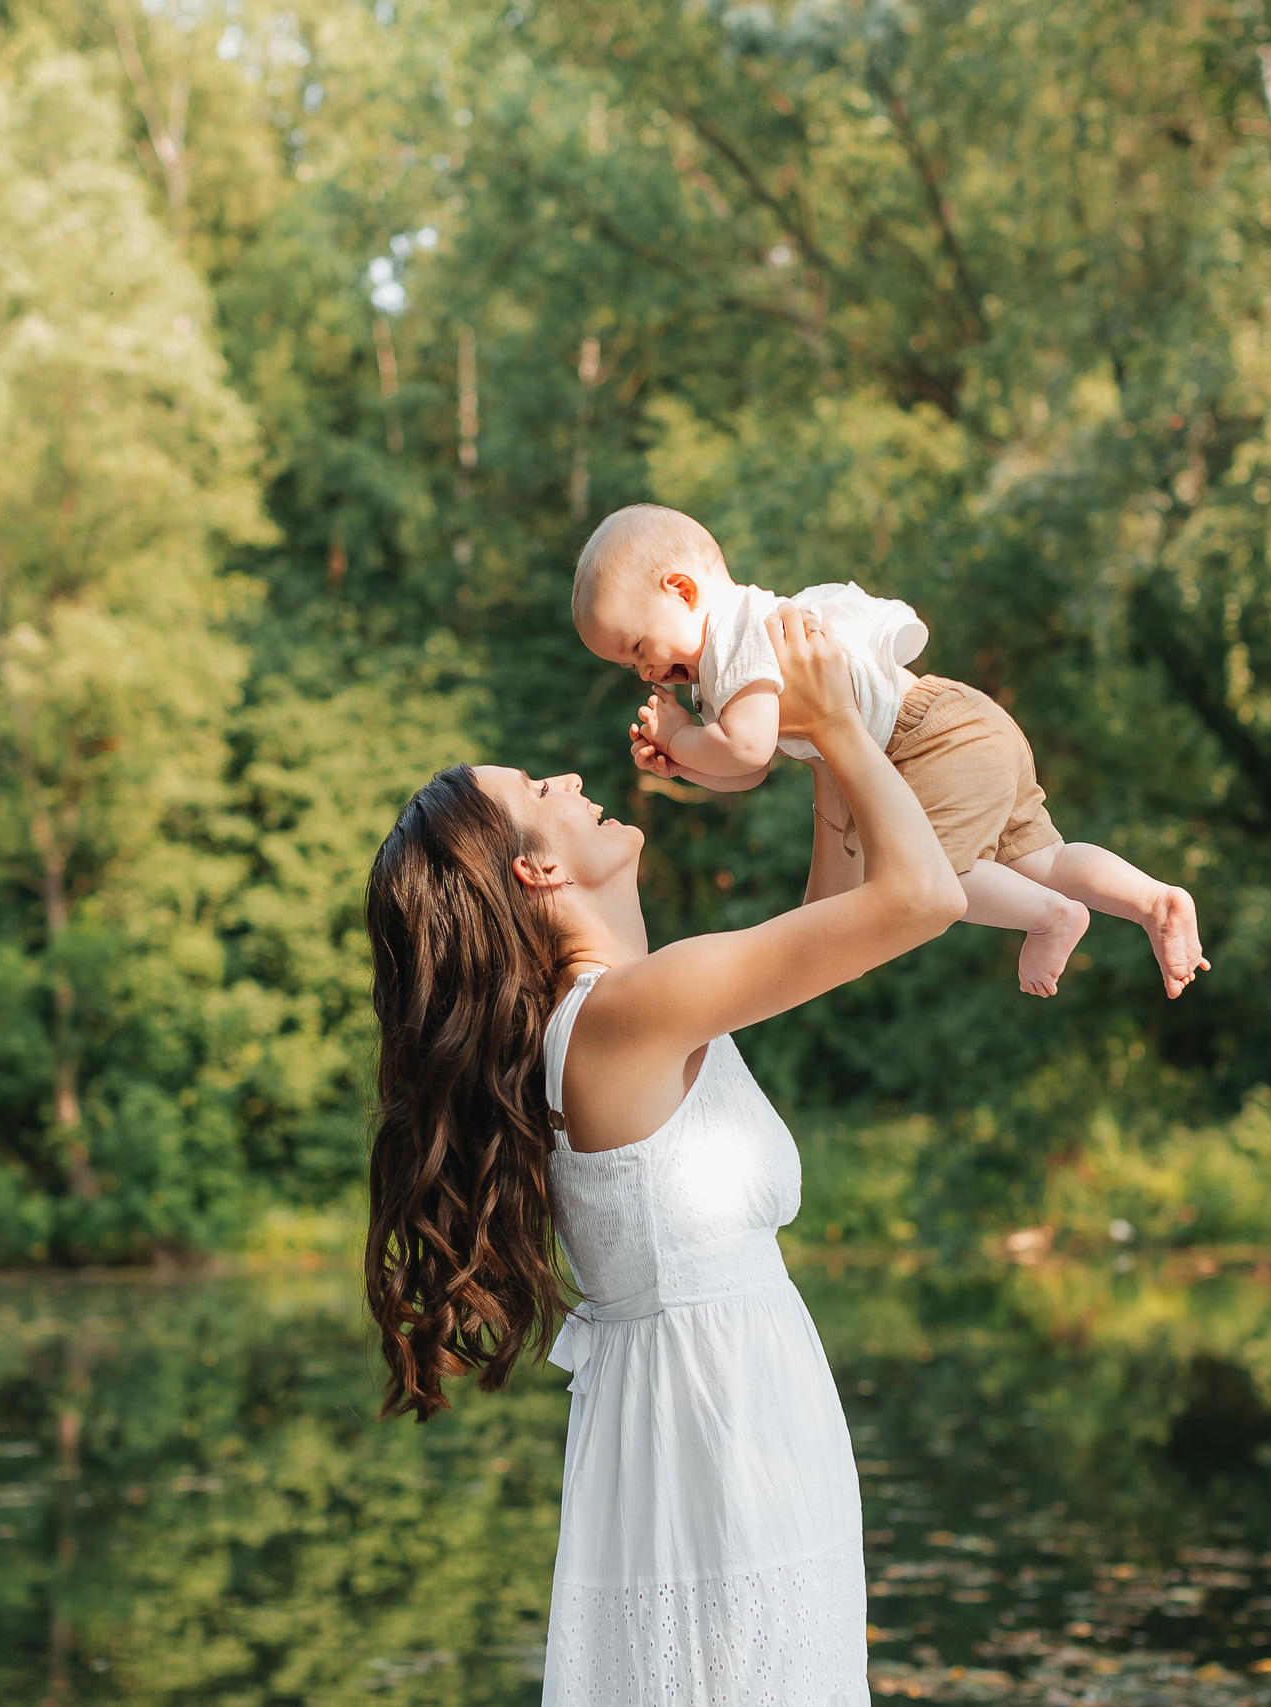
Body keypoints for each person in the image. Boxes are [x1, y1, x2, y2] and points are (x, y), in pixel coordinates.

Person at [364, 606, 966, 1705]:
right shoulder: (624, 1012)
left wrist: (817, 738)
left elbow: (840, 914)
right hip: (722, 1436)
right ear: (536, 874)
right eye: (535, 795)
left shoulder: (625, 1013)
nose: (565, 780)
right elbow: (921, 899)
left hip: (729, 1414)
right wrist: (837, 727)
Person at [571, 502, 1209, 1000]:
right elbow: (750, 770)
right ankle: (1153, 899)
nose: (646, 670)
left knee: (929, 873)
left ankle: (1051, 919)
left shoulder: (735, 635)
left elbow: (747, 746)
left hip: (925, 739)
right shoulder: (727, 659)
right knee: (1043, 855)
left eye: (636, 647)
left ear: (681, 590)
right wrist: (687, 763)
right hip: (961, 719)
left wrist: (684, 736)